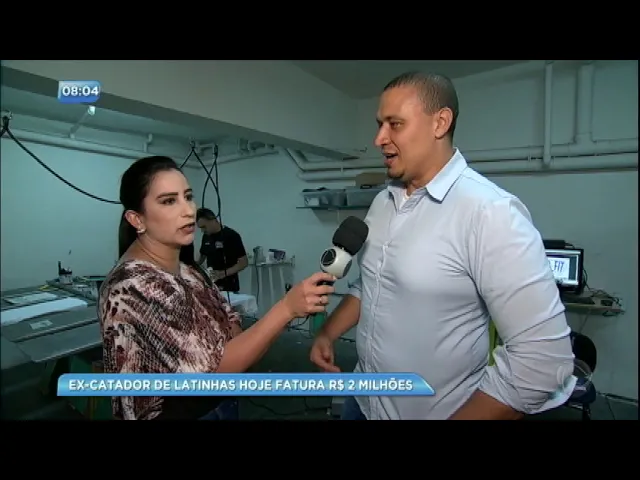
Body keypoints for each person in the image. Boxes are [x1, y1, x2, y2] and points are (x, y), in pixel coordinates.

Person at [309, 72, 576, 420]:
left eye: (395, 124)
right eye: (379, 124)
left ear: (440, 123)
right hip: (362, 401)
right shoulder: (382, 203)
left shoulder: (491, 213)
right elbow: (371, 284)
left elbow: (543, 361)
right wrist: (327, 332)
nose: (379, 138)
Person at [99, 155, 335, 420]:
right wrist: (286, 309)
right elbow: (213, 373)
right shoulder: (134, 285)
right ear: (136, 219)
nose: (188, 210)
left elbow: (228, 320)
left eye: (188, 197)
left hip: (220, 404)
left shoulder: (187, 270)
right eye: (169, 201)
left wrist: (234, 345)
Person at [196, 208, 248, 293]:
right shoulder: (206, 236)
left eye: (204, 227)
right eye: (201, 228)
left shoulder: (231, 236)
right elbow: (202, 256)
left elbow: (244, 263)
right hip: (212, 286)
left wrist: (222, 273)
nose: (202, 231)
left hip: (229, 287)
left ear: (212, 220)